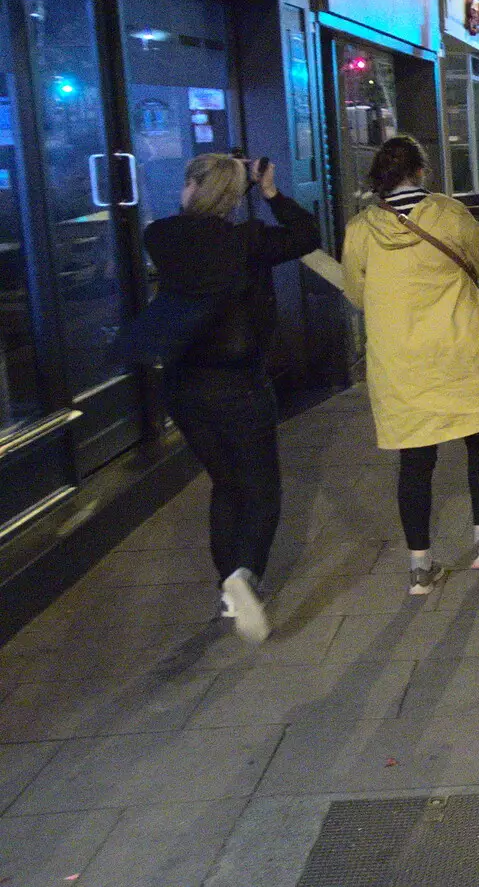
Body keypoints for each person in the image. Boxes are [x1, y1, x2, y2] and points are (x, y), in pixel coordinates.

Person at [144, 153, 320, 643]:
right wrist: (269, 191)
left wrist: (222, 186)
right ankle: (244, 575)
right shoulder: (250, 242)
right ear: (232, 193)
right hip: (239, 383)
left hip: (184, 385)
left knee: (225, 482)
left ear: (193, 187)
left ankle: (227, 584)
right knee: (261, 486)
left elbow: (190, 231)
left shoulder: (159, 236)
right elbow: (307, 234)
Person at [341, 136, 479, 595]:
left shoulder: (361, 229)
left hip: (402, 361)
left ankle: (421, 568)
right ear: (420, 172)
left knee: (415, 463)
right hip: (461, 350)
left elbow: (356, 294)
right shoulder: (449, 214)